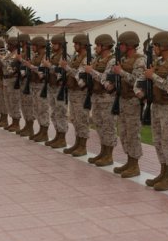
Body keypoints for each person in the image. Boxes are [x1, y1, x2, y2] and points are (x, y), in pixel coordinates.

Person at [144, 30, 168, 190]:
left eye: (156, 45)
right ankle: (163, 172)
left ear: (165, 46)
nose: (154, 48)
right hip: (157, 106)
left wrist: (152, 76)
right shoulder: (159, 63)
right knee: (158, 141)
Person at [110, 31, 146, 178]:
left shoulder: (140, 60)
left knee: (132, 133)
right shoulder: (123, 60)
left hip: (133, 102)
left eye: (122, 44)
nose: (120, 47)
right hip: (122, 100)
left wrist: (121, 72)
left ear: (130, 45)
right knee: (124, 133)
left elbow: (137, 81)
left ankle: (135, 165)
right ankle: (129, 161)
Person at [84, 34, 117, 167]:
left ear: (104, 46)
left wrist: (91, 71)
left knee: (108, 126)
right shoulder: (97, 60)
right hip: (96, 97)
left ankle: (108, 155)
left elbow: (106, 79)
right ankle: (103, 152)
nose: (95, 48)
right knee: (99, 125)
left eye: (97, 45)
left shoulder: (112, 61)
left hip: (107, 98)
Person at [61, 34, 91, 156]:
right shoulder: (76, 57)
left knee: (82, 119)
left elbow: (79, 74)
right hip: (73, 91)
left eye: (76, 43)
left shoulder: (87, 58)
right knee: (74, 119)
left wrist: (66, 68)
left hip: (81, 92)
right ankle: (77, 143)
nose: (74, 46)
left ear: (83, 44)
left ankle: (82, 146)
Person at [44, 34, 69, 148]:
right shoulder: (53, 55)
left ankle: (62, 138)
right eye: (52, 44)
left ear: (61, 45)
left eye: (55, 44)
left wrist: (49, 67)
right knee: (54, 113)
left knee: (61, 113)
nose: (53, 45)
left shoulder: (64, 57)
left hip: (60, 88)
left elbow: (61, 73)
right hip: (52, 87)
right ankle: (58, 135)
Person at [24, 35, 50, 143]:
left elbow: (42, 72)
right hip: (34, 85)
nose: (32, 47)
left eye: (34, 45)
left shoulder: (45, 56)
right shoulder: (36, 55)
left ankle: (45, 132)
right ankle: (41, 130)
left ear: (39, 46)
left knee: (43, 109)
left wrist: (30, 67)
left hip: (42, 86)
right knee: (37, 109)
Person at [2, 37, 22, 132]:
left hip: (13, 80)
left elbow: (10, 68)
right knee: (8, 102)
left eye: (8, 44)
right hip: (6, 80)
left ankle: (16, 123)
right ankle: (13, 122)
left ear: (13, 45)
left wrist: (0, 58)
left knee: (14, 102)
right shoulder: (10, 54)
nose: (7, 46)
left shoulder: (17, 54)